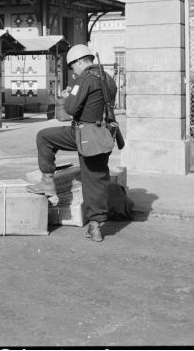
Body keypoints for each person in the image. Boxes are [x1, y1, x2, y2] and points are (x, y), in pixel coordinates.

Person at [27, 44, 117, 242]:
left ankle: (48, 183)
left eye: (72, 66)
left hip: (83, 133)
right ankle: (95, 227)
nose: (73, 71)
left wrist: (68, 96)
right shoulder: (108, 78)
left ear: (79, 61)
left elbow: (71, 108)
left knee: (44, 136)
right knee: (96, 177)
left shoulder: (85, 78)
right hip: (102, 135)